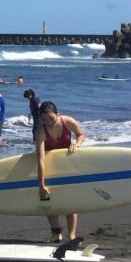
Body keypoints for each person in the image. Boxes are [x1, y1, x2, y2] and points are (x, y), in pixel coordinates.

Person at [34, 101, 85, 244]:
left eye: (51, 119)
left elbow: (80, 135)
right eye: (44, 120)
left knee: (70, 201)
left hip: (67, 165)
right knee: (49, 202)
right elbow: (41, 160)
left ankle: (72, 236)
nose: (48, 123)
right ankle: (56, 234)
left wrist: (77, 144)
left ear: (58, 114)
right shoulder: (41, 131)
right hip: (50, 167)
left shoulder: (68, 122)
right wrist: (41, 185)